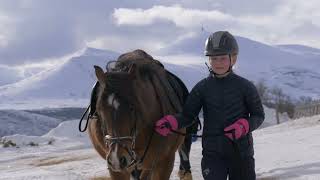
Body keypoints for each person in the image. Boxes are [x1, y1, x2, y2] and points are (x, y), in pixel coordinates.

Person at [154, 31, 265, 180]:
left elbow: (258, 115)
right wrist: (172, 122)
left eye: (223, 58)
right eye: (214, 58)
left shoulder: (245, 86)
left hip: (241, 154)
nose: (218, 63)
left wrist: (244, 126)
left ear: (233, 59)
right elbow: (188, 115)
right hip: (212, 154)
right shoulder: (202, 88)